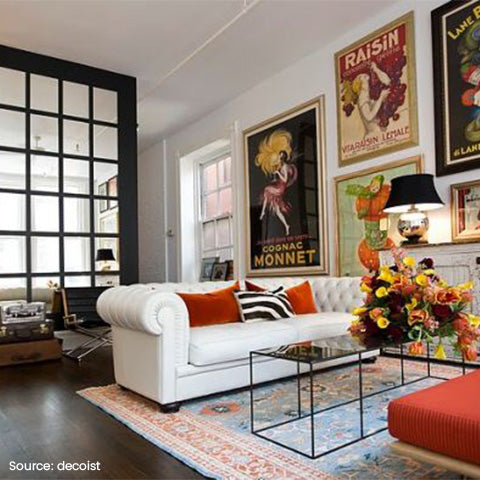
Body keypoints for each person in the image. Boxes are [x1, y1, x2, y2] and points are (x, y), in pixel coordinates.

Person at [255, 129, 297, 236]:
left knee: (266, 190)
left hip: (280, 188)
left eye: (279, 156)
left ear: (282, 157)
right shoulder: (281, 166)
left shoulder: (285, 167)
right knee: (277, 211)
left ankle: (263, 212)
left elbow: (284, 179)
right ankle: (286, 225)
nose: (278, 158)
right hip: (279, 185)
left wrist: (278, 173)